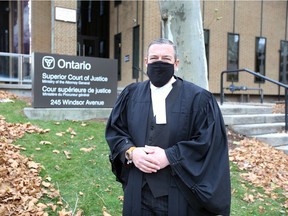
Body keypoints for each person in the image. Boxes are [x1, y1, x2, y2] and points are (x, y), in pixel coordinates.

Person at [105, 38, 231, 216]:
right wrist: (131, 152)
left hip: (178, 193)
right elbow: (116, 131)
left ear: (176, 63)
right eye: (154, 58)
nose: (159, 62)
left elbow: (208, 143)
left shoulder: (199, 99)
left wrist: (170, 156)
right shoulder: (130, 95)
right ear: (146, 61)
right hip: (137, 191)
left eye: (166, 58)